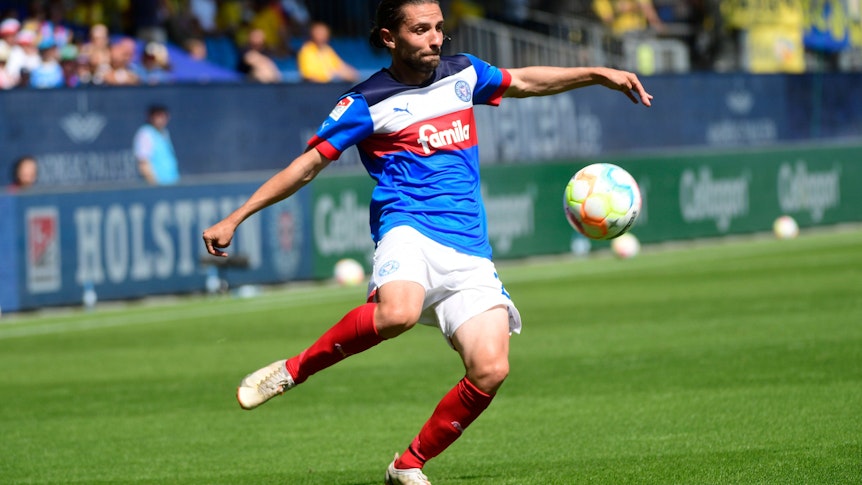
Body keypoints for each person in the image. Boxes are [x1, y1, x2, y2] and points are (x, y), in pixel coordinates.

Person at [201, 1, 652, 483]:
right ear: (390, 37)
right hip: (407, 227)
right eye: (421, 30)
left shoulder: (462, 74)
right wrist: (237, 216)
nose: (436, 38)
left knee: (491, 369)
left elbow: (523, 81)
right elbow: (307, 165)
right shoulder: (365, 101)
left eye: (439, 28)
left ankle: (407, 464)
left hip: (469, 249)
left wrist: (597, 72)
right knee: (397, 312)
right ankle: (294, 370)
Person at [133, 104, 179, 185]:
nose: (161, 119)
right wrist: (155, 187)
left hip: (171, 185)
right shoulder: (146, 133)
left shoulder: (164, 133)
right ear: (151, 117)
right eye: (158, 115)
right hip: (158, 188)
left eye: (163, 115)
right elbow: (143, 163)